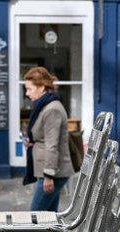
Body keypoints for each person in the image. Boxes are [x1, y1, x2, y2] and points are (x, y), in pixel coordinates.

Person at [21, 67, 74, 211]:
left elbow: (52, 145)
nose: (27, 93)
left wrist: (48, 176)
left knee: (35, 217)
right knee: (50, 219)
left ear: (42, 87)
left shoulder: (52, 109)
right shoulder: (44, 106)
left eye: (29, 89)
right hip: (48, 171)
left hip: (53, 173)